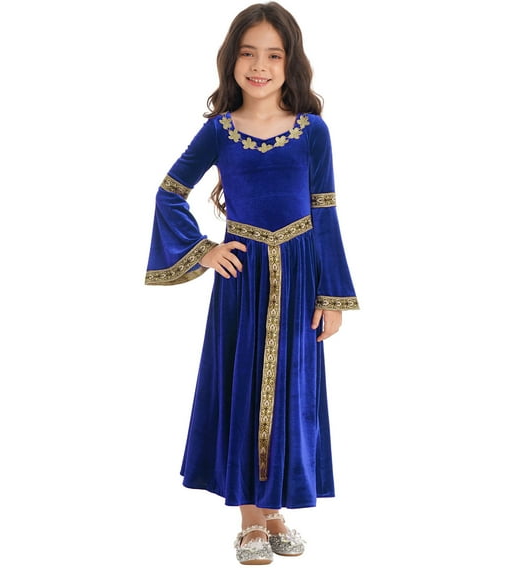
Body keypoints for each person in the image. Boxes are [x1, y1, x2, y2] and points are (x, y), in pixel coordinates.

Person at [145, 1, 359, 565]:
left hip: (300, 280)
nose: (259, 66)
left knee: (290, 394)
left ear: (291, 62)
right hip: (242, 282)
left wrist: (333, 296)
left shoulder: (313, 132)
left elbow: (325, 213)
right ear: (232, 60)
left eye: (273, 55)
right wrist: (205, 252)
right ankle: (250, 521)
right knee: (244, 390)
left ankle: (275, 511)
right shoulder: (220, 131)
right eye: (248, 53)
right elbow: (169, 192)